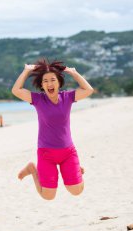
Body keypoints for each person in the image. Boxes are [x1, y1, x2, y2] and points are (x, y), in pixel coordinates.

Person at [12, 58, 94, 200]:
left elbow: (88, 90)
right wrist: (26, 71)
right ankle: (33, 169)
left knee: (76, 191)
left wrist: (74, 73)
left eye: (52, 80)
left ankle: (75, 170)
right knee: (48, 196)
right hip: (46, 154)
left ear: (58, 82)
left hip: (68, 152)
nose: (49, 84)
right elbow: (16, 90)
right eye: (45, 81)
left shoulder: (67, 97)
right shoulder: (38, 99)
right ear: (42, 85)